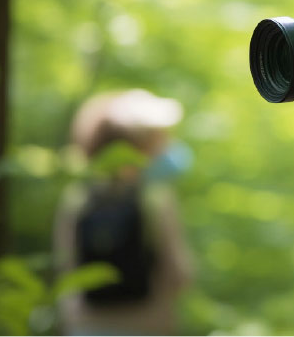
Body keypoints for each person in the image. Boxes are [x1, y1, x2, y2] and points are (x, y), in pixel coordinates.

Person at [54, 89, 194, 336]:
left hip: (87, 327)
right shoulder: (154, 198)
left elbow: (66, 272)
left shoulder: (77, 198)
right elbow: (179, 274)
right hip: (147, 325)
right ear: (139, 144)